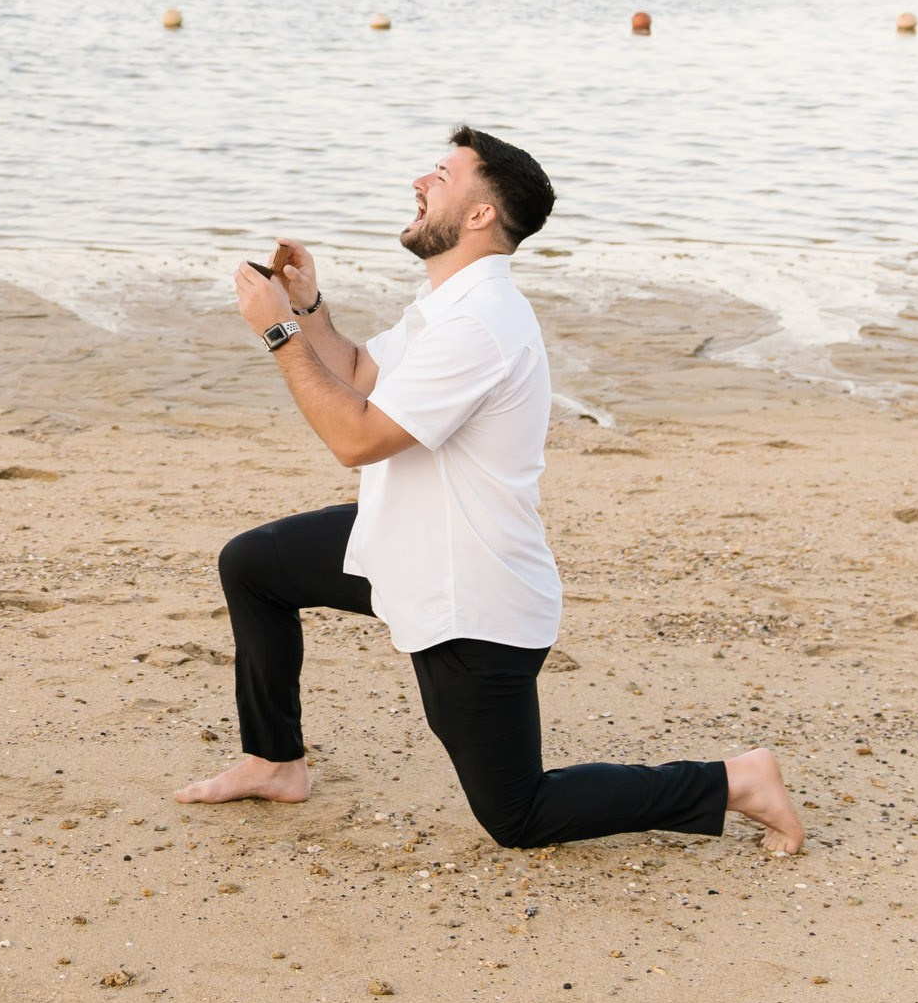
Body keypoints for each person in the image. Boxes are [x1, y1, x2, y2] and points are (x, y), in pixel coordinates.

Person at [176, 127, 804, 854]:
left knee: (518, 815)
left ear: (480, 214)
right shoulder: (450, 302)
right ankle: (275, 761)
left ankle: (736, 781)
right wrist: (309, 307)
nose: (420, 181)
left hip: (469, 590)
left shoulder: (479, 323)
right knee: (255, 564)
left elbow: (356, 437)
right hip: (406, 541)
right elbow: (357, 372)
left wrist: (279, 333)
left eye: (441, 175)